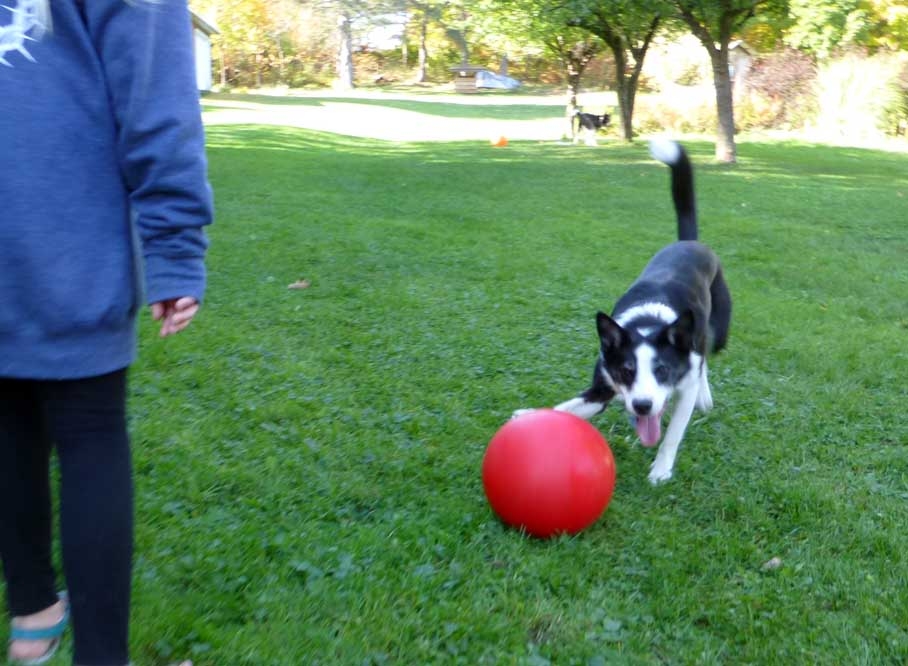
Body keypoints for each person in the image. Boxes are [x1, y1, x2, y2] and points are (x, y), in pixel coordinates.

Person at [0, 0, 212, 664]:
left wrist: (174, 242)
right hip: (49, 236)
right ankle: (61, 624)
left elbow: (153, 86)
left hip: (56, 236)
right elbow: (157, 89)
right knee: (44, 428)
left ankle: (64, 632)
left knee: (45, 426)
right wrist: (174, 245)